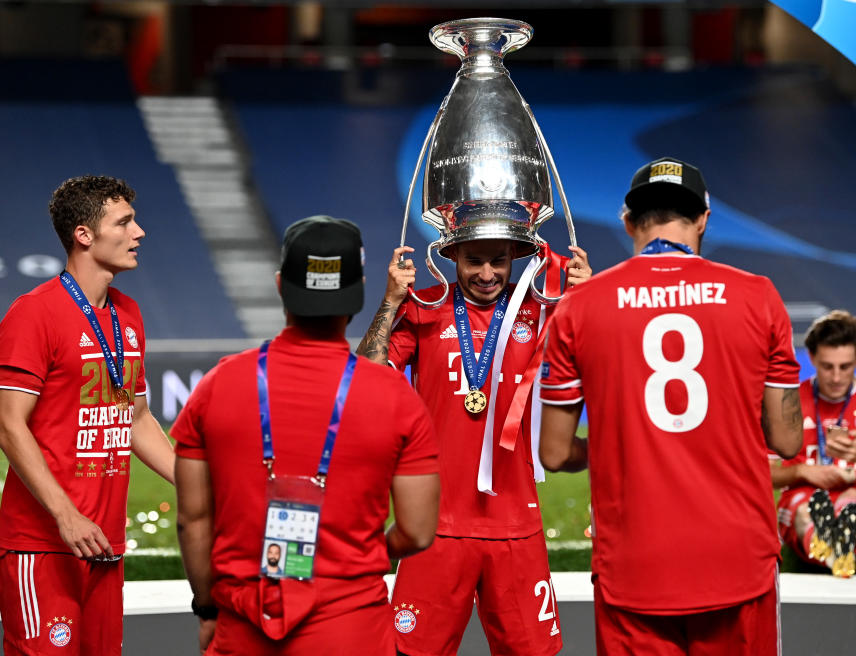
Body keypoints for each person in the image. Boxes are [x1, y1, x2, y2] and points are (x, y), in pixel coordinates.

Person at [538, 157, 803, 655]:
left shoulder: (580, 306)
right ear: (703, 218)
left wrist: (626, 443)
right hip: (737, 558)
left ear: (628, 220)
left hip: (635, 566)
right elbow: (787, 441)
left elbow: (553, 454)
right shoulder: (758, 297)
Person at [173, 216, 440, 655]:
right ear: (357, 294)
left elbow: (193, 520)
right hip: (352, 628)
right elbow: (416, 532)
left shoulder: (218, 384)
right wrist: (361, 557)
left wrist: (207, 609)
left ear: (281, 285)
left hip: (242, 627)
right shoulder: (395, 397)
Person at [357, 230, 591, 655]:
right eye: (474, 262)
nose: (487, 274)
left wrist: (585, 300)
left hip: (516, 527)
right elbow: (365, 382)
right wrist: (391, 300)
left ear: (514, 259)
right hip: (436, 526)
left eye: (498, 261)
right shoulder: (424, 307)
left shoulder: (541, 311)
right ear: (453, 257)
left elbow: (600, 362)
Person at [0, 175, 175, 655]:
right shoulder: (33, 313)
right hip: (45, 543)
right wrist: (65, 515)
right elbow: (8, 423)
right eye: (124, 222)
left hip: (104, 543)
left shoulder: (129, 314)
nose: (139, 233)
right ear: (83, 234)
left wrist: (198, 481)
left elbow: (135, 418)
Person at [771, 310, 856, 578]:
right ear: (811, 358)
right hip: (802, 494)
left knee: (854, 502)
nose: (835, 377)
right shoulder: (788, 403)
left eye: (845, 367)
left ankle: (827, 542)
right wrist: (802, 472)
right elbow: (764, 474)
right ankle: (836, 552)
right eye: (826, 366)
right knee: (806, 509)